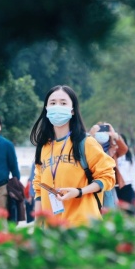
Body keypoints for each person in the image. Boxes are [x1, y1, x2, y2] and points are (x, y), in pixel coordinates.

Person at [30, 85, 116, 227]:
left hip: (83, 226)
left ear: (72, 110)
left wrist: (79, 192)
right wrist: (38, 226)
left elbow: (108, 177)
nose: (57, 107)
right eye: (52, 103)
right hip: (52, 229)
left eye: (63, 103)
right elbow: (39, 187)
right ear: (46, 109)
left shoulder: (86, 142)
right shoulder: (44, 147)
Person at [88, 122, 129, 208]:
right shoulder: (90, 147)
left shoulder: (112, 149)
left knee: (110, 208)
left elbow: (124, 149)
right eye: (99, 131)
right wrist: (90, 135)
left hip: (109, 184)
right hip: (93, 183)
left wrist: (115, 135)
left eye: (104, 131)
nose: (102, 134)